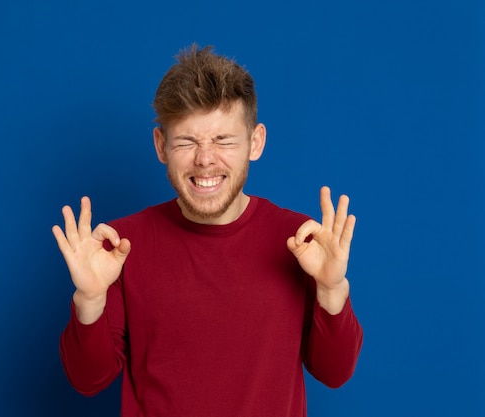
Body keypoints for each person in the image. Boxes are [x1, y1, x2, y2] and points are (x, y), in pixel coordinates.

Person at [52, 44, 363, 417]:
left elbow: (334, 372)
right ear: (161, 146)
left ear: (256, 142)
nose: (205, 159)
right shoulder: (117, 248)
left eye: (223, 140)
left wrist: (331, 291)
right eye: (186, 141)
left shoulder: (302, 242)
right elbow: (88, 380)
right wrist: (89, 299)